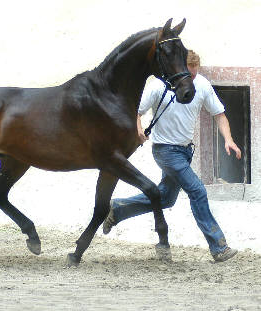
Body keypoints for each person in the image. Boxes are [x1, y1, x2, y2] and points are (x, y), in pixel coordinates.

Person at [103, 50, 242, 262]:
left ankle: (118, 208)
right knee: (197, 190)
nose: (192, 80)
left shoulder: (202, 84)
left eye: (195, 75)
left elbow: (219, 114)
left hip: (185, 151)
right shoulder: (159, 85)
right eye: (189, 75)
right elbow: (136, 111)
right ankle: (218, 247)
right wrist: (138, 128)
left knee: (165, 198)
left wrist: (229, 139)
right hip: (165, 150)